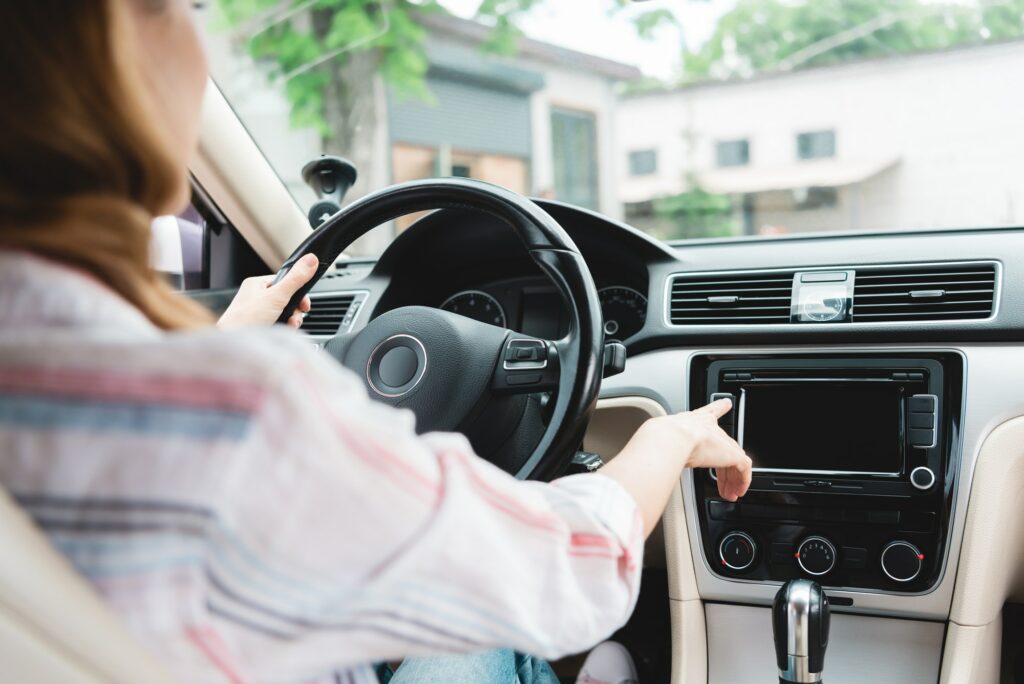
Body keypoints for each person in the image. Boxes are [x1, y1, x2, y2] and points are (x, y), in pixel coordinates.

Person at [0, 2, 753, 683]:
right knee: (490, 629)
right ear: (111, 53)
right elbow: (572, 568)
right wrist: (670, 439)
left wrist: (222, 341)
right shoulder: (236, 413)